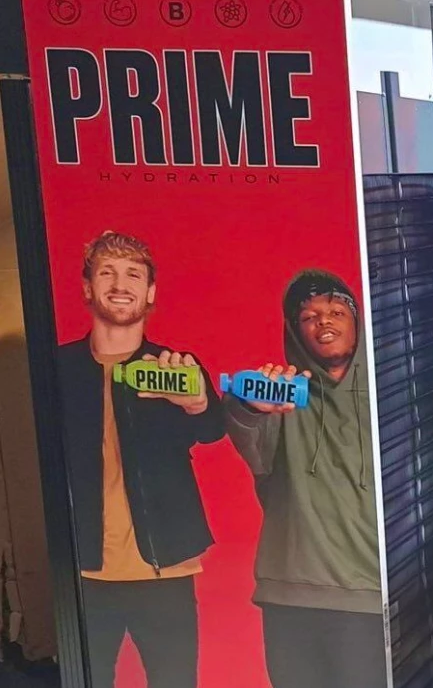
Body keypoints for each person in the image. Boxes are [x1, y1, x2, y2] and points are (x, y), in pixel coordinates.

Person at [55, 231, 224, 688]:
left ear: (150, 292)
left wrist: (195, 403)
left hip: (164, 567)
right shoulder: (57, 368)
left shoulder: (177, 366)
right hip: (82, 570)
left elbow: (212, 429)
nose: (120, 283)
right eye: (106, 272)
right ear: (87, 287)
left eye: (134, 274)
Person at [223, 270, 384, 688]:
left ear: (357, 322)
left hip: (371, 596)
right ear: (295, 330)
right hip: (290, 594)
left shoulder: (393, 392)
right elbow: (251, 442)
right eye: (309, 316)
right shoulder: (277, 396)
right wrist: (249, 406)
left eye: (334, 312)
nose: (323, 322)